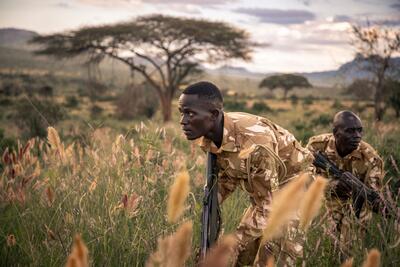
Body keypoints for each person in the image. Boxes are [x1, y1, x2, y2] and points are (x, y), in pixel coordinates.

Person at [178, 81, 314, 266]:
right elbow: (229, 175)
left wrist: (228, 246)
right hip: (266, 189)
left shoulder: (256, 144)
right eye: (182, 112)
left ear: (214, 115)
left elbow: (269, 206)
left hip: (294, 186)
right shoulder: (209, 137)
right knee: (243, 256)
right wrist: (211, 206)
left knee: (274, 255)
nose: (183, 121)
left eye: (190, 113)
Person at [306, 111, 384, 257]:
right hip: (325, 197)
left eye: (360, 130)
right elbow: (303, 177)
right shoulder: (317, 146)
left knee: (348, 249)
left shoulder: (371, 158)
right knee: (325, 247)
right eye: (350, 131)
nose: (357, 136)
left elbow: (373, 197)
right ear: (336, 133)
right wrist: (333, 185)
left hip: (359, 204)